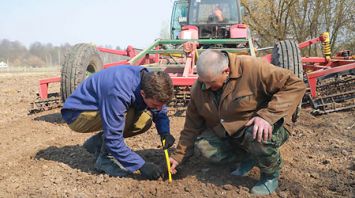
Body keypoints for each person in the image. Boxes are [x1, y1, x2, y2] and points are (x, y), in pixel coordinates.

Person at [169, 49, 306, 195]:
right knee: (203, 147)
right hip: (232, 130)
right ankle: (248, 157)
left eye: (211, 82)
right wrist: (178, 156)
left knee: (257, 136)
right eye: (203, 82)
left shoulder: (254, 68)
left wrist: (267, 116)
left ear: (226, 71)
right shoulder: (200, 88)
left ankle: (270, 175)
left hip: (266, 125)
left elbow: (295, 85)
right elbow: (191, 126)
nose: (206, 87)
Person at [61, 65, 175, 180]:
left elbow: (159, 110)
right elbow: (114, 139)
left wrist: (165, 132)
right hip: (78, 114)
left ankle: (98, 143)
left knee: (143, 122)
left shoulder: (150, 79)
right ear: (142, 94)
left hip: (100, 107)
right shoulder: (119, 92)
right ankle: (105, 159)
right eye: (155, 105)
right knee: (128, 114)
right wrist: (141, 165)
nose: (159, 108)